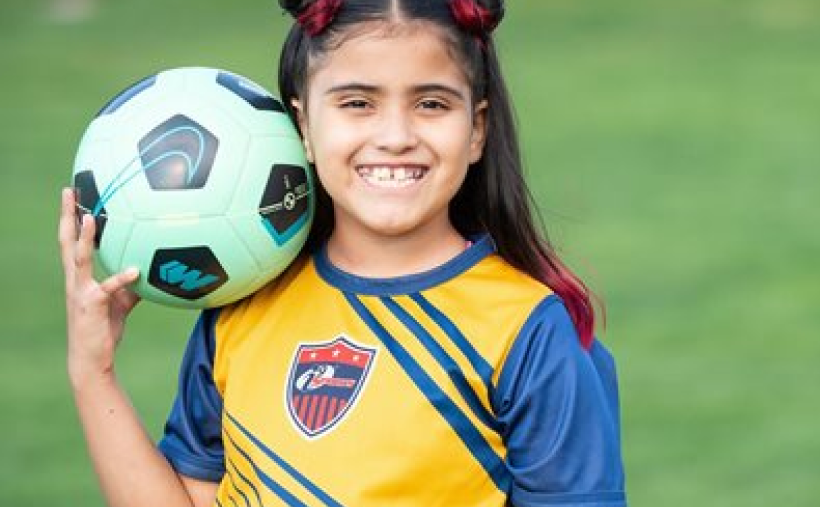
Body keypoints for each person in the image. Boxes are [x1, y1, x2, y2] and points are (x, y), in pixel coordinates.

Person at [58, 0, 627, 506]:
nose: (396, 135)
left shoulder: (529, 330)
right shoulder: (242, 307)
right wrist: (94, 371)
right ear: (304, 123)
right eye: (358, 103)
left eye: (431, 104)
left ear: (476, 128)